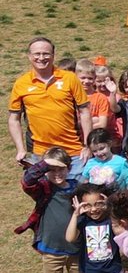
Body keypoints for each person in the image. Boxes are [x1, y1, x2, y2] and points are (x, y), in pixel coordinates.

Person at [23, 149, 97, 273]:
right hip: (51, 249)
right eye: (52, 170)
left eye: (61, 169)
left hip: (76, 249)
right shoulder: (43, 189)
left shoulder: (77, 188)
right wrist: (44, 164)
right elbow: (27, 181)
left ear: (69, 169)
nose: (57, 174)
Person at [9, 38, 92, 175]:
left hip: (73, 152)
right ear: (29, 56)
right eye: (37, 54)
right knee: (46, 194)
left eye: (46, 54)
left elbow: (84, 112)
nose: (41, 58)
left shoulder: (70, 78)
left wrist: (88, 146)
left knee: (76, 194)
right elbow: (14, 119)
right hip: (40, 154)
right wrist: (21, 149)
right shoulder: (21, 83)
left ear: (53, 55)